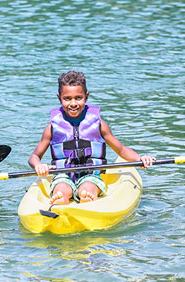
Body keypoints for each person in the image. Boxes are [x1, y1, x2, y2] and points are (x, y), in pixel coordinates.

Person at [29, 70, 155, 205]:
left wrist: (139, 159)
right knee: (61, 188)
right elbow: (34, 157)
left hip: (91, 175)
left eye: (78, 98)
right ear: (59, 98)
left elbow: (121, 149)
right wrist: (39, 166)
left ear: (86, 97)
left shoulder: (99, 124)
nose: (73, 103)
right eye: (67, 98)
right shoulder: (52, 128)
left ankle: (87, 198)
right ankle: (61, 199)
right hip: (62, 175)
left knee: (88, 187)